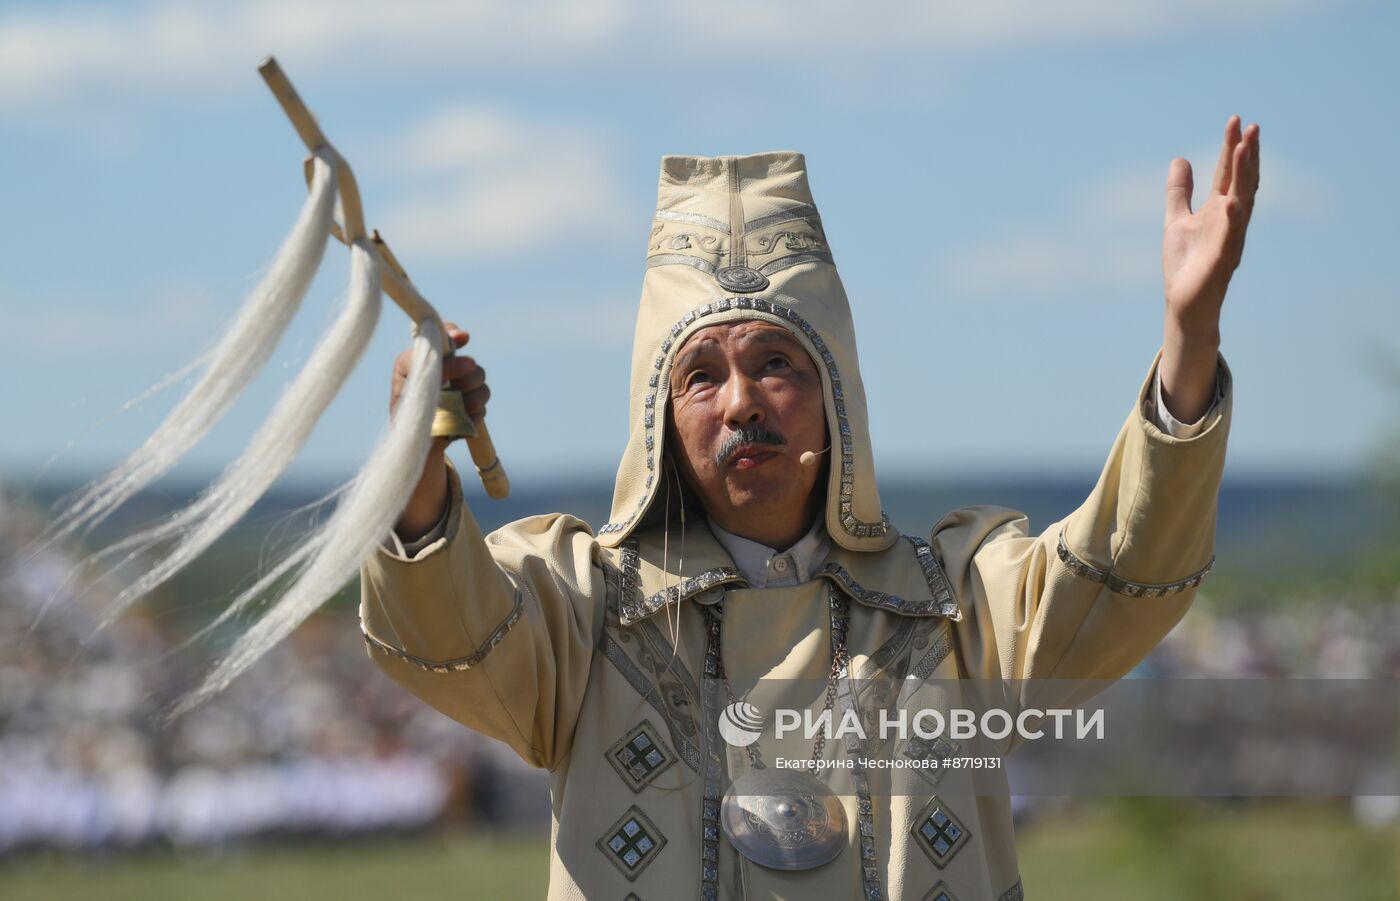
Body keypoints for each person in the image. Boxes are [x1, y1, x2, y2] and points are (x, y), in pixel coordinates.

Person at [359, 116, 1259, 900]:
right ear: (661, 422)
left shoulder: (953, 604)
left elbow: (1120, 574)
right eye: (700, 375)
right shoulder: (586, 611)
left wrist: (1189, 342)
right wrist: (415, 452)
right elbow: (454, 639)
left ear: (836, 394)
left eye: (775, 363)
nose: (741, 401)